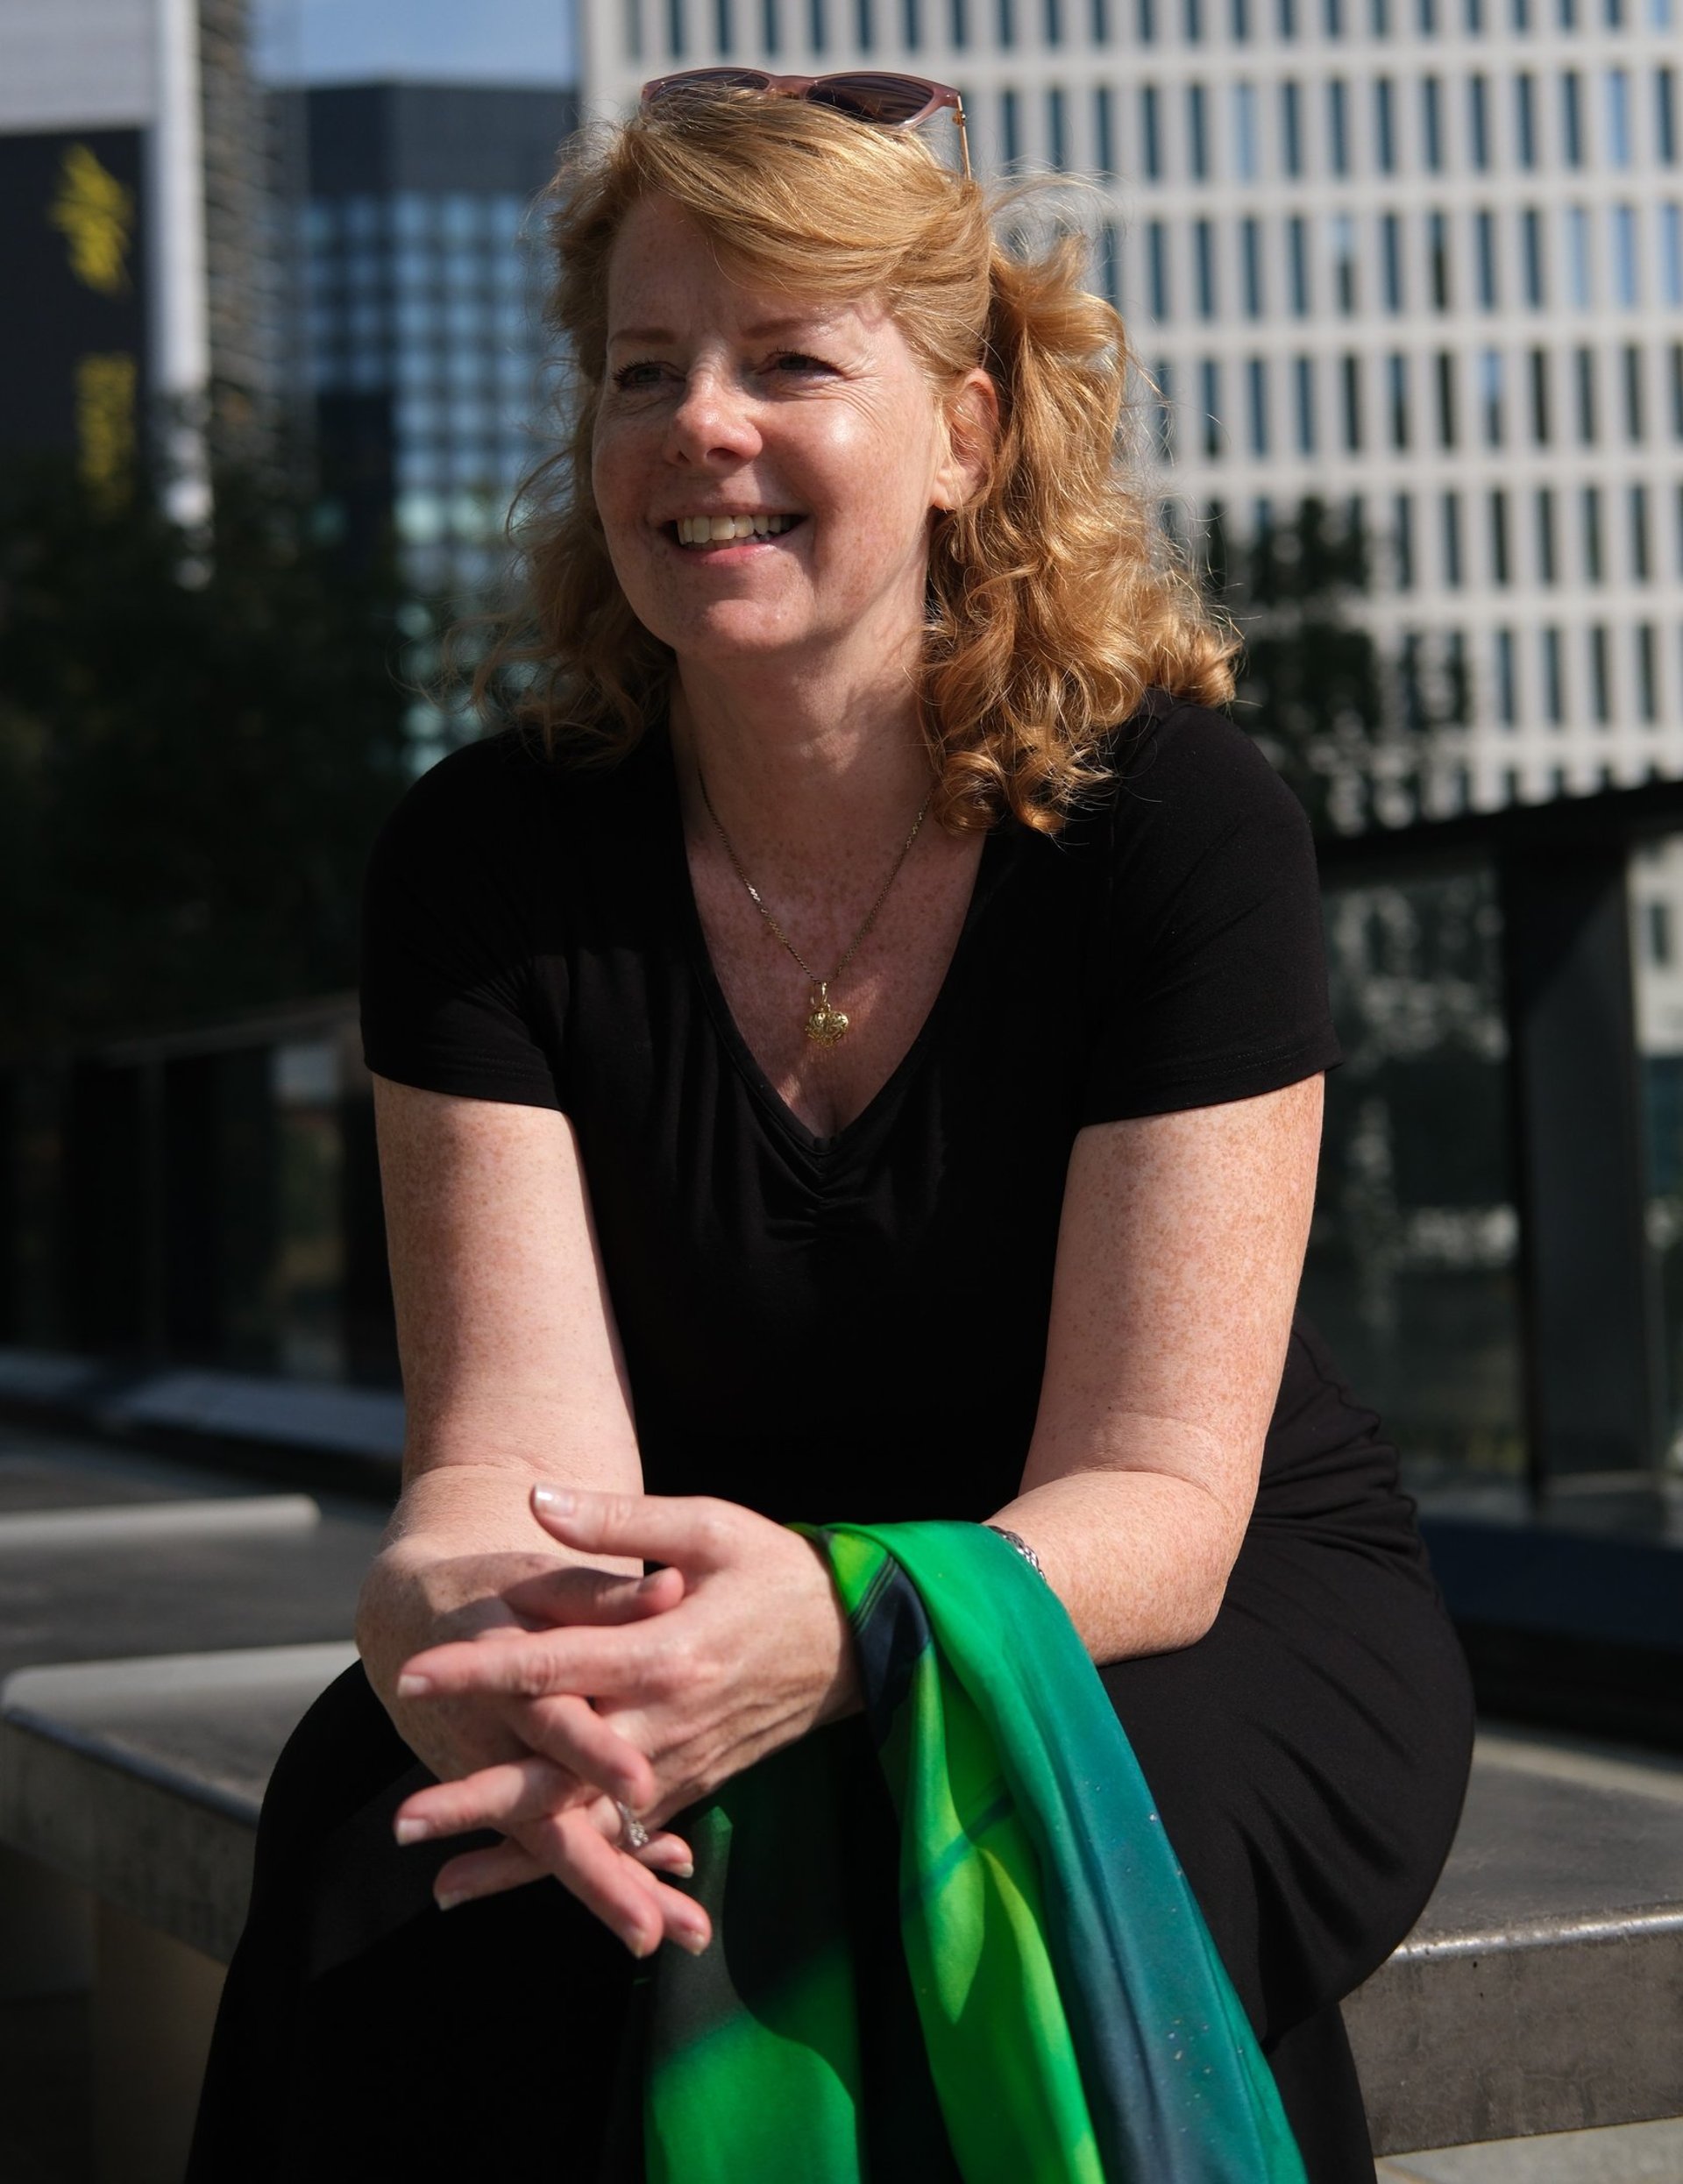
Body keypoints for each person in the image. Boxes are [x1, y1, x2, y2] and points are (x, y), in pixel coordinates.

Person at [189, 75, 1474, 2183]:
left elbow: (1155, 1495)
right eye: (642, 369)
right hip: (678, 1588)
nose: (701, 423)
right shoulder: (481, 860)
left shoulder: (1178, 830)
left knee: (1023, 1849)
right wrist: (450, 1647)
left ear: (969, 433)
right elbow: (509, 1478)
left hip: (1143, 1598)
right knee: (387, 1863)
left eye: (790, 358)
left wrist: (856, 1618)